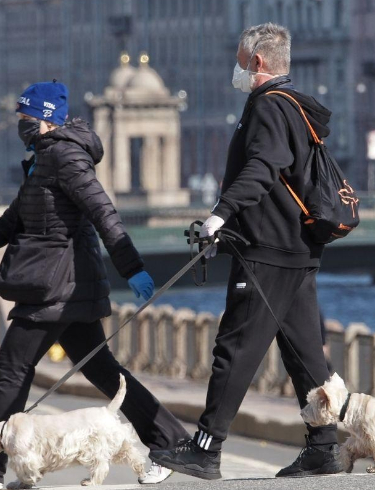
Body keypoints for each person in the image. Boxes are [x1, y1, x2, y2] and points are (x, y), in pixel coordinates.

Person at [0, 81, 189, 489]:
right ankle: (172, 443)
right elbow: (10, 223)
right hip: (62, 286)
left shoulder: (66, 157)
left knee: (12, 369)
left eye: (25, 117)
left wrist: (132, 267)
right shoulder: (42, 161)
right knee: (104, 372)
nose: (20, 124)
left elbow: (104, 212)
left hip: (56, 287)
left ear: (47, 120)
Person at [150, 23, 343, 479]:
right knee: (303, 353)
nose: (236, 69)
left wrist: (220, 215)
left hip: (268, 250)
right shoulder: (295, 105)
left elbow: (262, 168)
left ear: (257, 62)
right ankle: (324, 446)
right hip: (295, 248)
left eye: (240, 61)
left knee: (234, 347)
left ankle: (206, 449)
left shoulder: (268, 106)